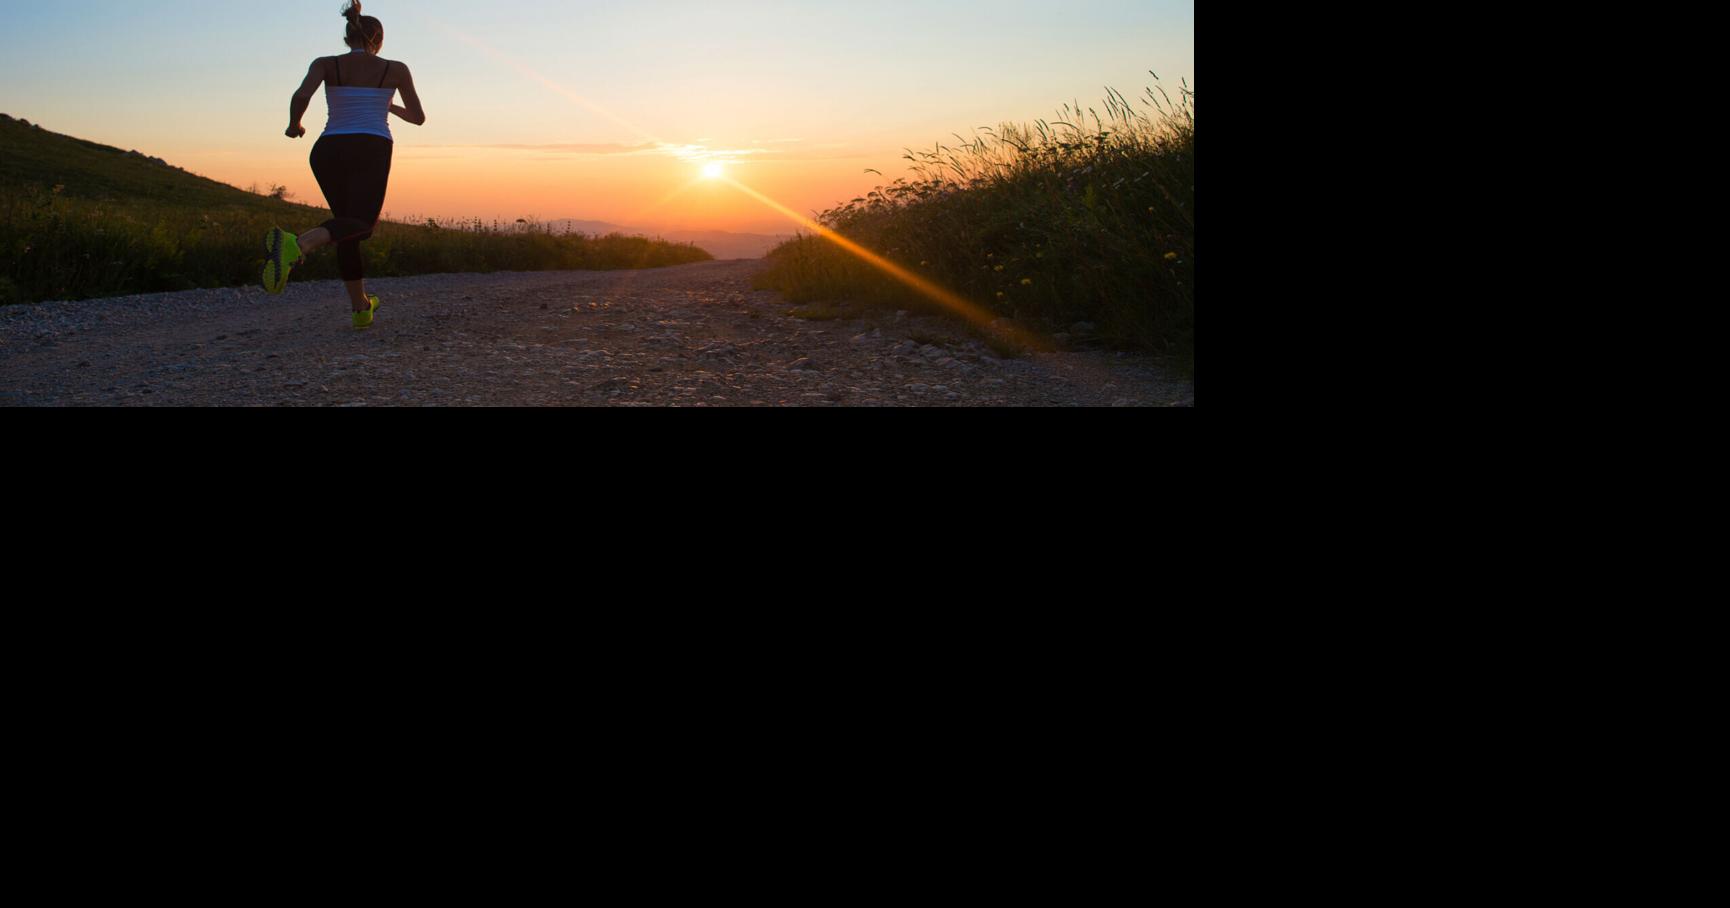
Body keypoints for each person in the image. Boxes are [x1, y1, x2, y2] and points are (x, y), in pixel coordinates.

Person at [263, 1, 426, 329]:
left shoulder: (326, 63)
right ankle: (299, 244)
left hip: (327, 150)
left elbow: (300, 95)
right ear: (378, 40)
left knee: (346, 226)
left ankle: (360, 308)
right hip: (370, 147)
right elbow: (419, 118)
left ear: (346, 36)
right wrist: (388, 106)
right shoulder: (394, 69)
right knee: (362, 223)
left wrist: (294, 125)